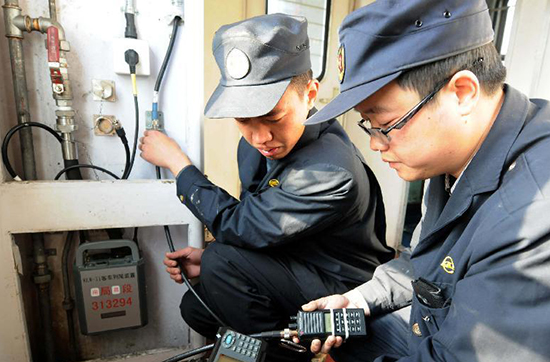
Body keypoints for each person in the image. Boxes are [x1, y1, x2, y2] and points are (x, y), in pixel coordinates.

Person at [300, 0, 550, 361]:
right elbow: (426, 260)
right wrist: (359, 299)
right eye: (368, 124)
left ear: (462, 92)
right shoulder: (461, 154)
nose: (374, 142)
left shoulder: (532, 216)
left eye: (385, 124)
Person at [138, 13, 394, 360]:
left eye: (274, 117)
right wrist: (216, 260)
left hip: (339, 287)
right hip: (298, 260)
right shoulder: (256, 145)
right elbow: (257, 223)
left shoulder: (330, 170)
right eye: (244, 120)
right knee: (195, 308)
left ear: (310, 94)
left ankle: (289, 356)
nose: (261, 137)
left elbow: (237, 226)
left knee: (222, 263)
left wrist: (178, 164)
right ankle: (268, 346)